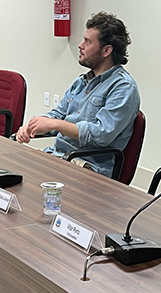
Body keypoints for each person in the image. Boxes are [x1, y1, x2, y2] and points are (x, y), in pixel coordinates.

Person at [16, 12, 140, 178]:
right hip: (61, 157)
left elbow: (101, 135)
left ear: (106, 50)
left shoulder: (123, 87)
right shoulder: (82, 82)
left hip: (89, 168)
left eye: (88, 42)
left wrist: (55, 124)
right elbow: (58, 114)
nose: (80, 45)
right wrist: (33, 126)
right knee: (12, 169)